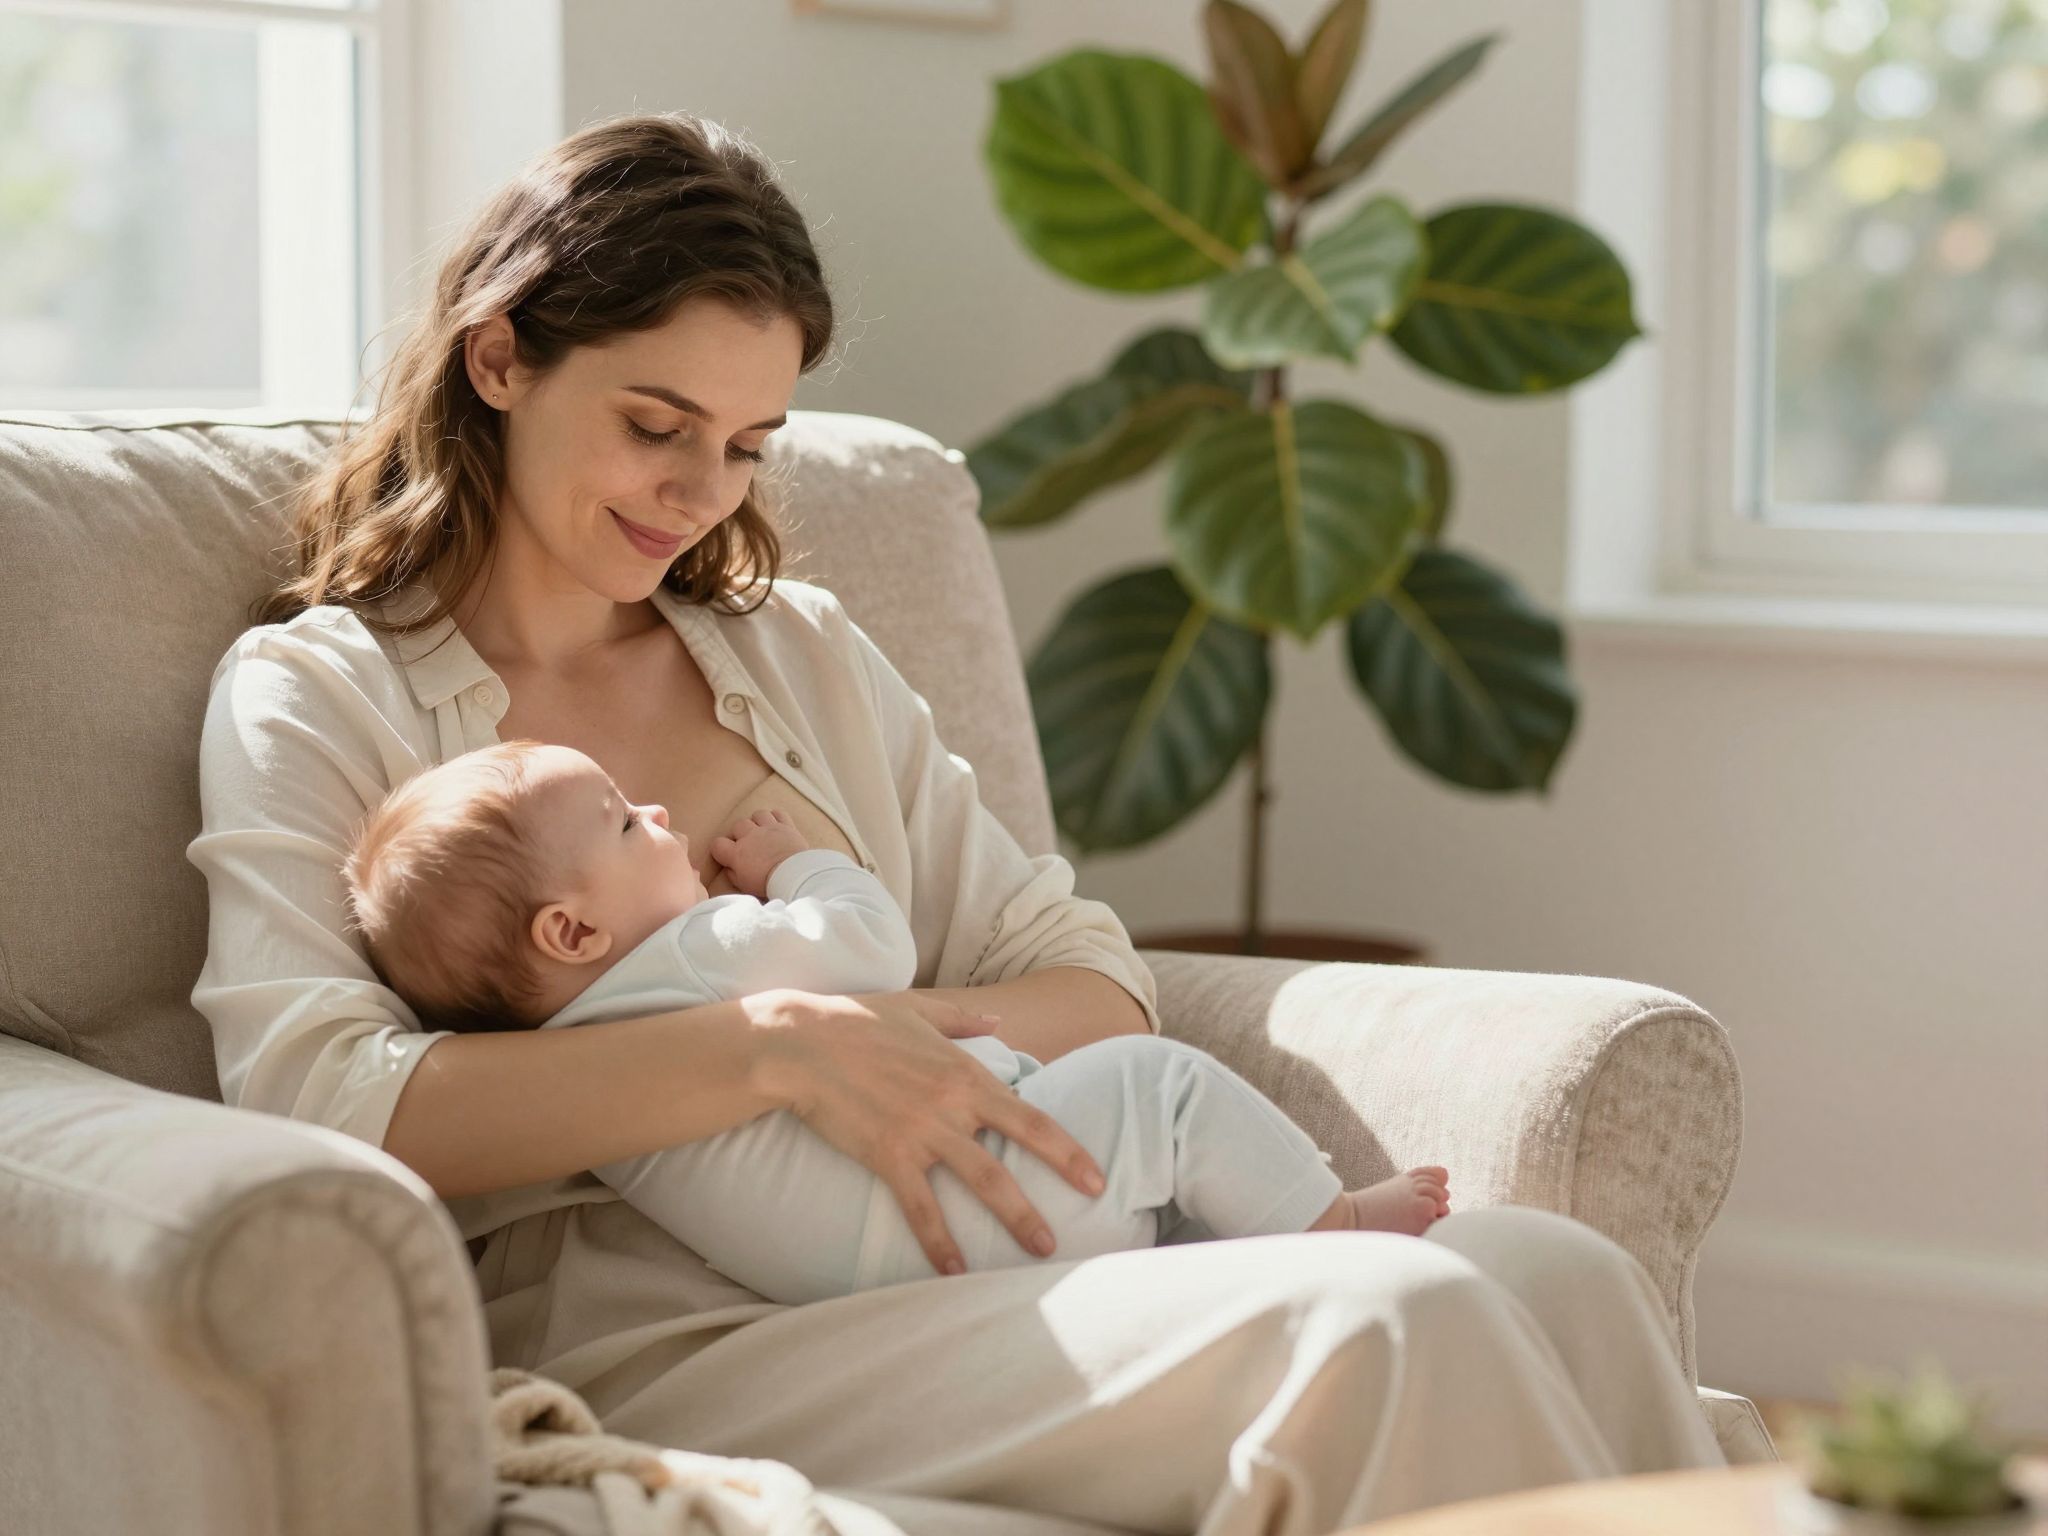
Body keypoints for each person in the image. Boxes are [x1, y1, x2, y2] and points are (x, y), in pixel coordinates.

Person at [185, 109, 1726, 1532]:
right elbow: (321, 1104)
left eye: (746, 445)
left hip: (981, 1240)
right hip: (663, 1330)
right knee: (1398, 1315)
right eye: (656, 424)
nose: (700, 492)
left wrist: (874, 1040)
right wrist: (771, 1049)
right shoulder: (323, 691)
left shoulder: (799, 656)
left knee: (1556, 1274)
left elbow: (1091, 981)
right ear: (499, 360)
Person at [338, 739, 1455, 1306]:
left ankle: (1249, 1242)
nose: (660, 810)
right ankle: (1333, 1221)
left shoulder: (578, 1064)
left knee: (1150, 1179)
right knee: (1159, 1086)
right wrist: (795, 865)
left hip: (873, 1272)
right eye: (626, 823)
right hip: (968, 1203)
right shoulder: (697, 951)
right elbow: (871, 945)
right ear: (575, 932)